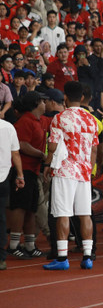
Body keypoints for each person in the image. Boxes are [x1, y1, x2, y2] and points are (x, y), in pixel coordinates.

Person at [43, 82, 100, 271]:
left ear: (65, 97)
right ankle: (87, 256)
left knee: (63, 213)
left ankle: (62, 257)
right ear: (82, 98)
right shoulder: (91, 120)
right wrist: (89, 169)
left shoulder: (59, 119)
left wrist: (48, 165)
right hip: (84, 171)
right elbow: (93, 149)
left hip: (64, 170)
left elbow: (52, 147)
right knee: (85, 214)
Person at [7, 92, 48, 259]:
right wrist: (41, 155)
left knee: (30, 208)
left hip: (32, 170)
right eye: (43, 101)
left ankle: (30, 245)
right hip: (22, 170)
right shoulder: (25, 121)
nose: (45, 104)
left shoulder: (38, 120)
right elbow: (21, 145)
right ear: (37, 103)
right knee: (20, 207)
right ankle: (13, 244)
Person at [0, 117, 24, 270]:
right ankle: (1, 258)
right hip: (3, 177)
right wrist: (20, 175)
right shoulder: (8, 127)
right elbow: (15, 154)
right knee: (1, 218)